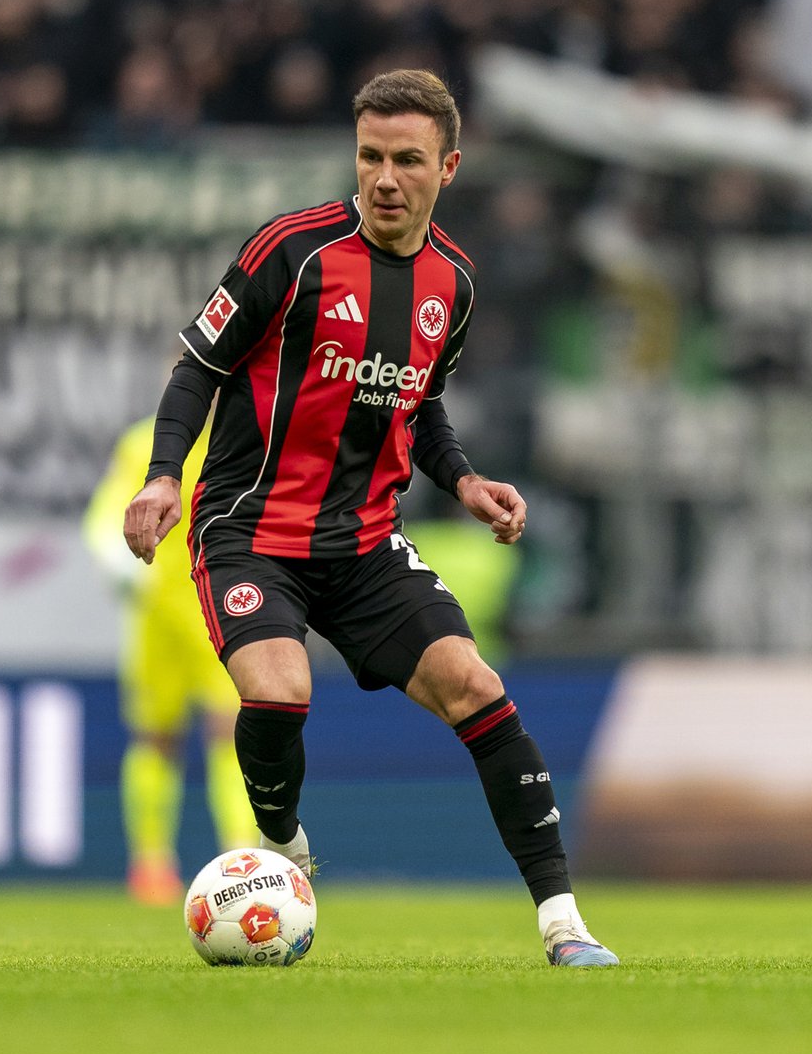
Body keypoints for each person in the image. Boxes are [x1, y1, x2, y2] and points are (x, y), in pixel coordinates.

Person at [122, 69, 619, 967]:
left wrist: (462, 480)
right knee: (279, 689)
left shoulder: (452, 287)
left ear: (449, 167)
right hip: (249, 529)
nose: (384, 178)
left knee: (478, 687)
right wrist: (163, 477)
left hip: (361, 543)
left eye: (407, 161)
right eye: (370, 157)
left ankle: (564, 922)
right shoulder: (292, 251)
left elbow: (418, 407)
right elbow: (197, 364)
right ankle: (283, 839)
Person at [84, 416, 255, 905]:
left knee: (230, 727)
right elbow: (104, 514)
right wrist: (115, 562)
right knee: (158, 736)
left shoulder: (245, 432)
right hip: (160, 611)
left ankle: (239, 858)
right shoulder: (142, 444)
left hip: (223, 601)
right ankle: (151, 863)